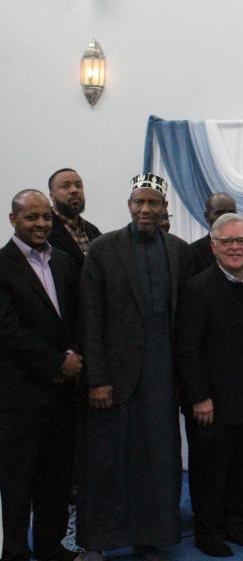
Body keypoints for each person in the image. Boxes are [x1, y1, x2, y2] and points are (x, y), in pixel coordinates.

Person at [76, 173, 192, 561]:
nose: (145, 209)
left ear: (163, 210)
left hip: (161, 378)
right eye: (138, 203)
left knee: (157, 462)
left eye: (152, 204)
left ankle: (150, 537)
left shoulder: (178, 250)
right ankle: (98, 541)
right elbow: (90, 320)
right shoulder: (104, 250)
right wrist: (98, 380)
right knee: (107, 461)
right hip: (114, 380)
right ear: (129, 205)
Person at [175, 213, 243, 557]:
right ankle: (208, 531)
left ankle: (236, 525)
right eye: (226, 241)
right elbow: (187, 348)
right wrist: (199, 397)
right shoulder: (197, 288)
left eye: (241, 241)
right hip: (210, 403)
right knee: (209, 470)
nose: (234, 247)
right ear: (213, 247)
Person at [0, 190, 81, 561]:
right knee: (18, 482)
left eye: (45, 217)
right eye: (31, 218)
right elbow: (8, 331)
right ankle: (15, 551)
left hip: (64, 395)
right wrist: (55, 364)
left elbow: (76, 318)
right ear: (13, 219)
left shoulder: (64, 262)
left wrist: (74, 359)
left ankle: (50, 547)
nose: (40, 224)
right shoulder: (2, 266)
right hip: (21, 396)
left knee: (56, 478)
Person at [189, 193, 243, 275]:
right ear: (206, 216)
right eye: (219, 213)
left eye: (231, 212)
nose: (225, 217)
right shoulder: (191, 254)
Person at [46, 168, 101, 266]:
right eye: (65, 186)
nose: (74, 190)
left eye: (78, 185)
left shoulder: (94, 232)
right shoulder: (44, 231)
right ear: (52, 196)